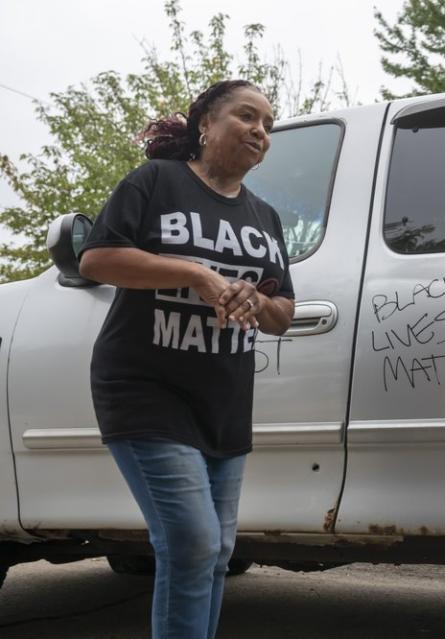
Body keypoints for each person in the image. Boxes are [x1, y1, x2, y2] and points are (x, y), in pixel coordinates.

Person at [78, 79, 295, 638]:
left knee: (216, 551)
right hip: (147, 390)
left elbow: (283, 313)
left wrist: (257, 298)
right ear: (205, 123)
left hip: (224, 403)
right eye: (247, 116)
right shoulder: (157, 182)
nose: (260, 131)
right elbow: (98, 259)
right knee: (191, 543)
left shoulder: (265, 217)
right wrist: (196, 273)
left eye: (268, 124)